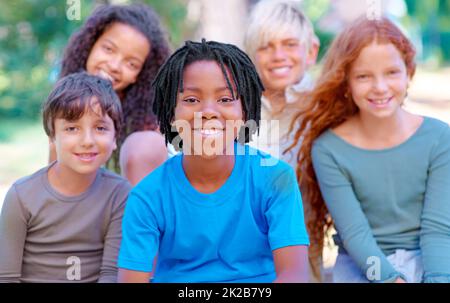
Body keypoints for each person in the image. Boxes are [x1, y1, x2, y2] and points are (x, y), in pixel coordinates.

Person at [117, 39, 310, 283]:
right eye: (191, 100)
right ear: (171, 113)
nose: (208, 111)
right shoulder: (148, 195)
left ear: (245, 111)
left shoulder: (275, 178)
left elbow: (294, 275)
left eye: (225, 99)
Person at [291, 16, 450, 282]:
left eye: (391, 72)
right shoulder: (329, 150)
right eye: (364, 76)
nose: (380, 87)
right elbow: (355, 235)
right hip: (362, 265)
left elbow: (437, 229)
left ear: (409, 72)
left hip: (429, 256)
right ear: (347, 82)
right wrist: (392, 279)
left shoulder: (439, 137)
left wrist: (437, 278)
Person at [0, 72, 132, 282]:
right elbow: (6, 277)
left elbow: (110, 274)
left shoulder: (120, 194)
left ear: (115, 137)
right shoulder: (22, 196)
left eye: (100, 128)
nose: (87, 140)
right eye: (72, 128)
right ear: (52, 136)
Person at [54, 3, 171, 185]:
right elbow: (54, 180)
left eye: (131, 64)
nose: (115, 66)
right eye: (108, 49)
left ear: (140, 75)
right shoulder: (66, 103)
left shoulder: (149, 128)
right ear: (90, 45)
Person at [244, 0, 319, 168]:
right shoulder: (237, 111)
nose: (278, 56)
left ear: (311, 52)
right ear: (250, 56)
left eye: (290, 44)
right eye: (265, 47)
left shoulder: (325, 108)